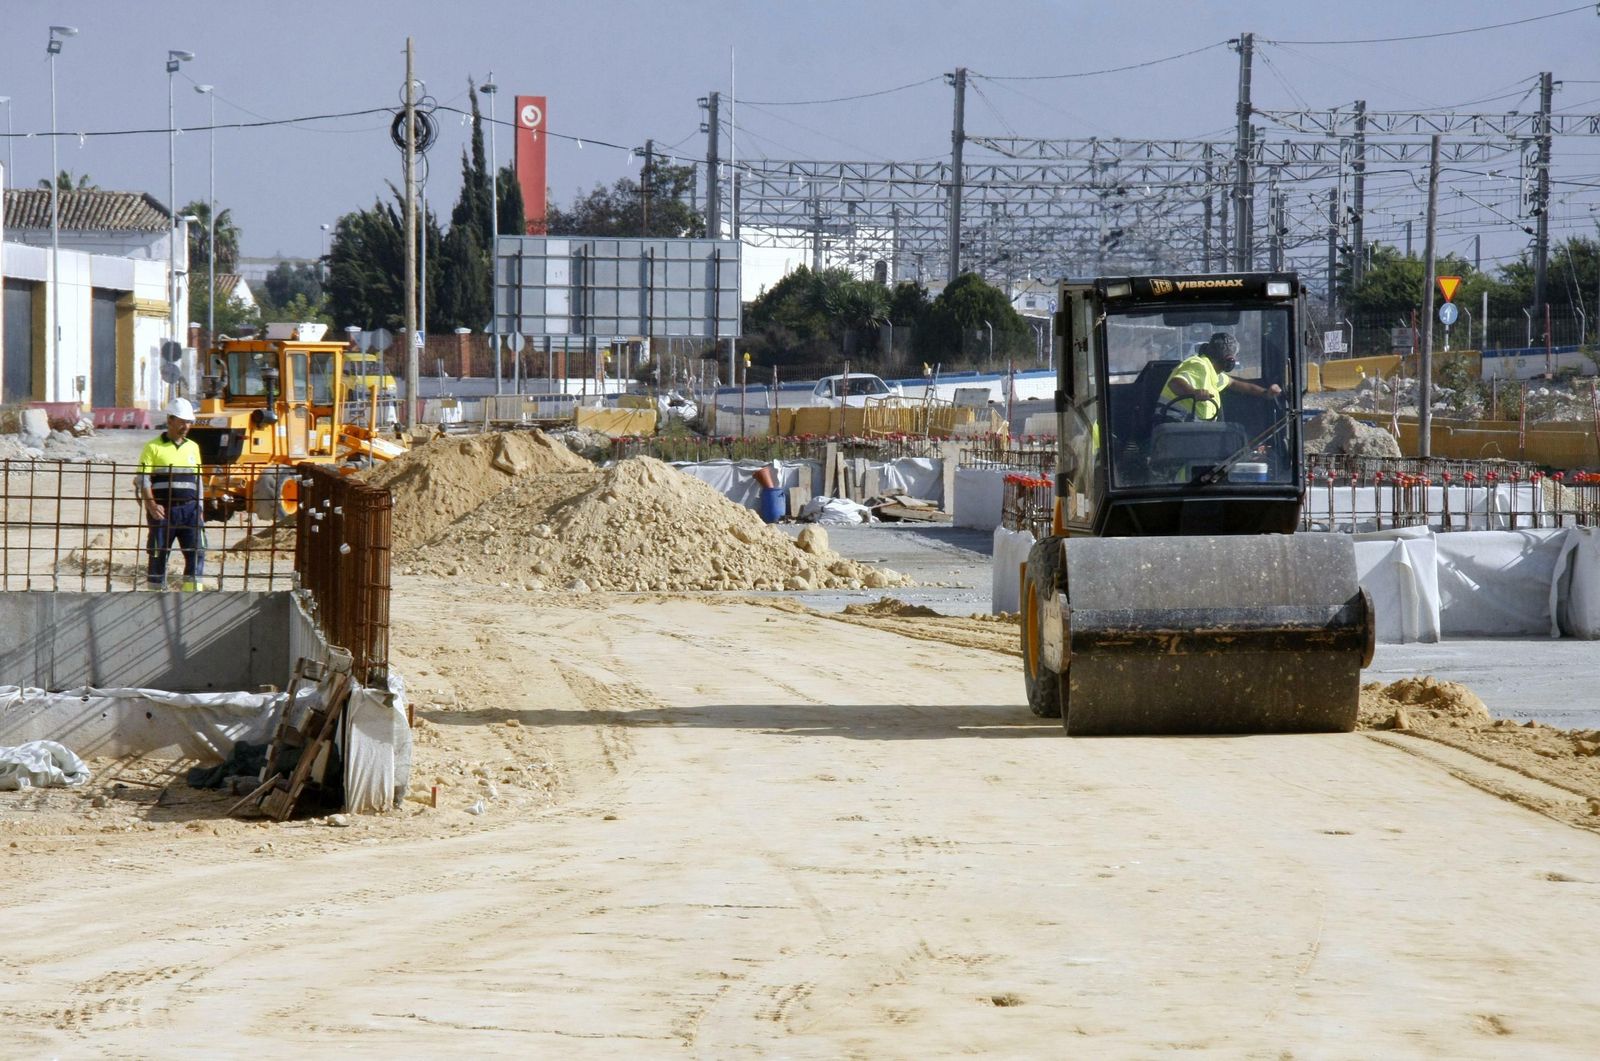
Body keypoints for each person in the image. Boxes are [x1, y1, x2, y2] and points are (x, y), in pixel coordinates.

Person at [135, 398, 206, 591]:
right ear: (170, 420)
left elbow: (198, 480)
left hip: (190, 511)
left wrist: (200, 508)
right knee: (158, 553)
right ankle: (155, 595)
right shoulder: (153, 447)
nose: (186, 426)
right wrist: (151, 505)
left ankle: (192, 595)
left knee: (197, 551)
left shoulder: (193, 447)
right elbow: (143, 478)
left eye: (189, 422)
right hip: (163, 511)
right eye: (182, 421)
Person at [1156, 332, 1281, 422]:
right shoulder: (1199, 365)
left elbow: (1235, 384)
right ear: (1229, 360)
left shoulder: (1214, 373)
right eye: (1232, 357)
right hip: (1178, 426)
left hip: (1196, 427)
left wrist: (1265, 393)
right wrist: (1194, 393)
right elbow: (1175, 383)